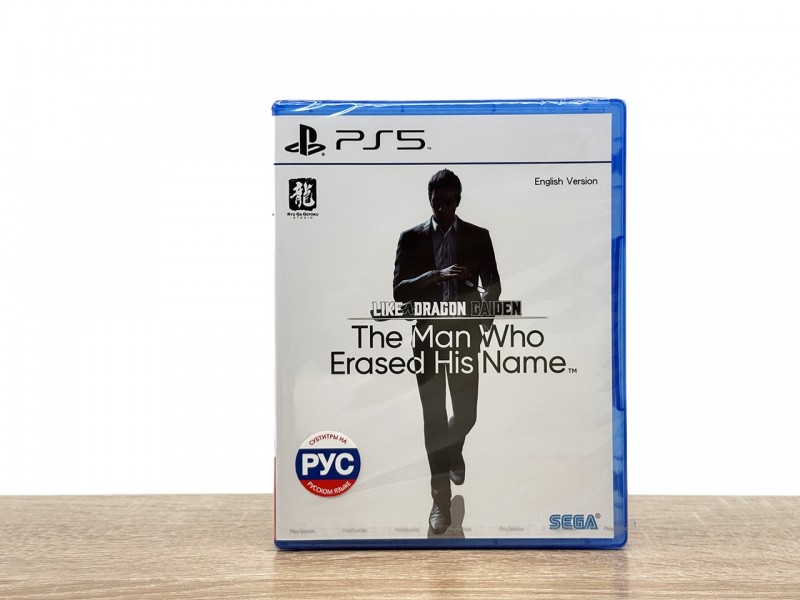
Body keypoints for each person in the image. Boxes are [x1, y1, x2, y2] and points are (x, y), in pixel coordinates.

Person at [393, 169, 501, 534]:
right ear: (429, 200)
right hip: (427, 339)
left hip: (466, 337)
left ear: (458, 200)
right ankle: (440, 500)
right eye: (436, 201)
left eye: (449, 201)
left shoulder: (478, 236)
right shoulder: (411, 238)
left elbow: (494, 285)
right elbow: (399, 291)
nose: (442, 208)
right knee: (434, 420)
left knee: (467, 415)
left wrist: (483, 320)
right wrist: (436, 275)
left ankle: (453, 449)